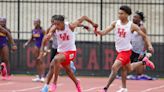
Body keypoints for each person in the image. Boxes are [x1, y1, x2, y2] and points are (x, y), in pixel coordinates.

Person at [95, 5, 154, 92]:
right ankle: (144, 62)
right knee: (128, 69)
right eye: (119, 13)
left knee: (114, 67)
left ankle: (105, 88)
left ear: (127, 15)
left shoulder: (132, 26)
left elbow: (144, 36)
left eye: (121, 13)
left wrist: (149, 45)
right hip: (119, 50)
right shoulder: (115, 23)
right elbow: (104, 32)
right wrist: (98, 32)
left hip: (126, 51)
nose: (119, 15)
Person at [39, 15, 97, 92]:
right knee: (67, 71)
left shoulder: (70, 26)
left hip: (70, 52)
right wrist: (49, 36)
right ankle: (77, 83)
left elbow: (83, 17)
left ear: (63, 23)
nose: (56, 26)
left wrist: (92, 23)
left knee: (55, 60)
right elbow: (49, 34)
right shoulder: (54, 27)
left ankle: (54, 84)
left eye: (58, 24)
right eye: (55, 24)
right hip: (61, 52)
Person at [117, 11, 154, 92]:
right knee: (125, 68)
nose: (134, 18)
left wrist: (143, 51)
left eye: (136, 17)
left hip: (140, 51)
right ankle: (123, 86)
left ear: (140, 19)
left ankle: (146, 58)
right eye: (133, 17)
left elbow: (145, 39)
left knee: (139, 74)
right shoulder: (131, 26)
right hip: (131, 50)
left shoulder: (142, 28)